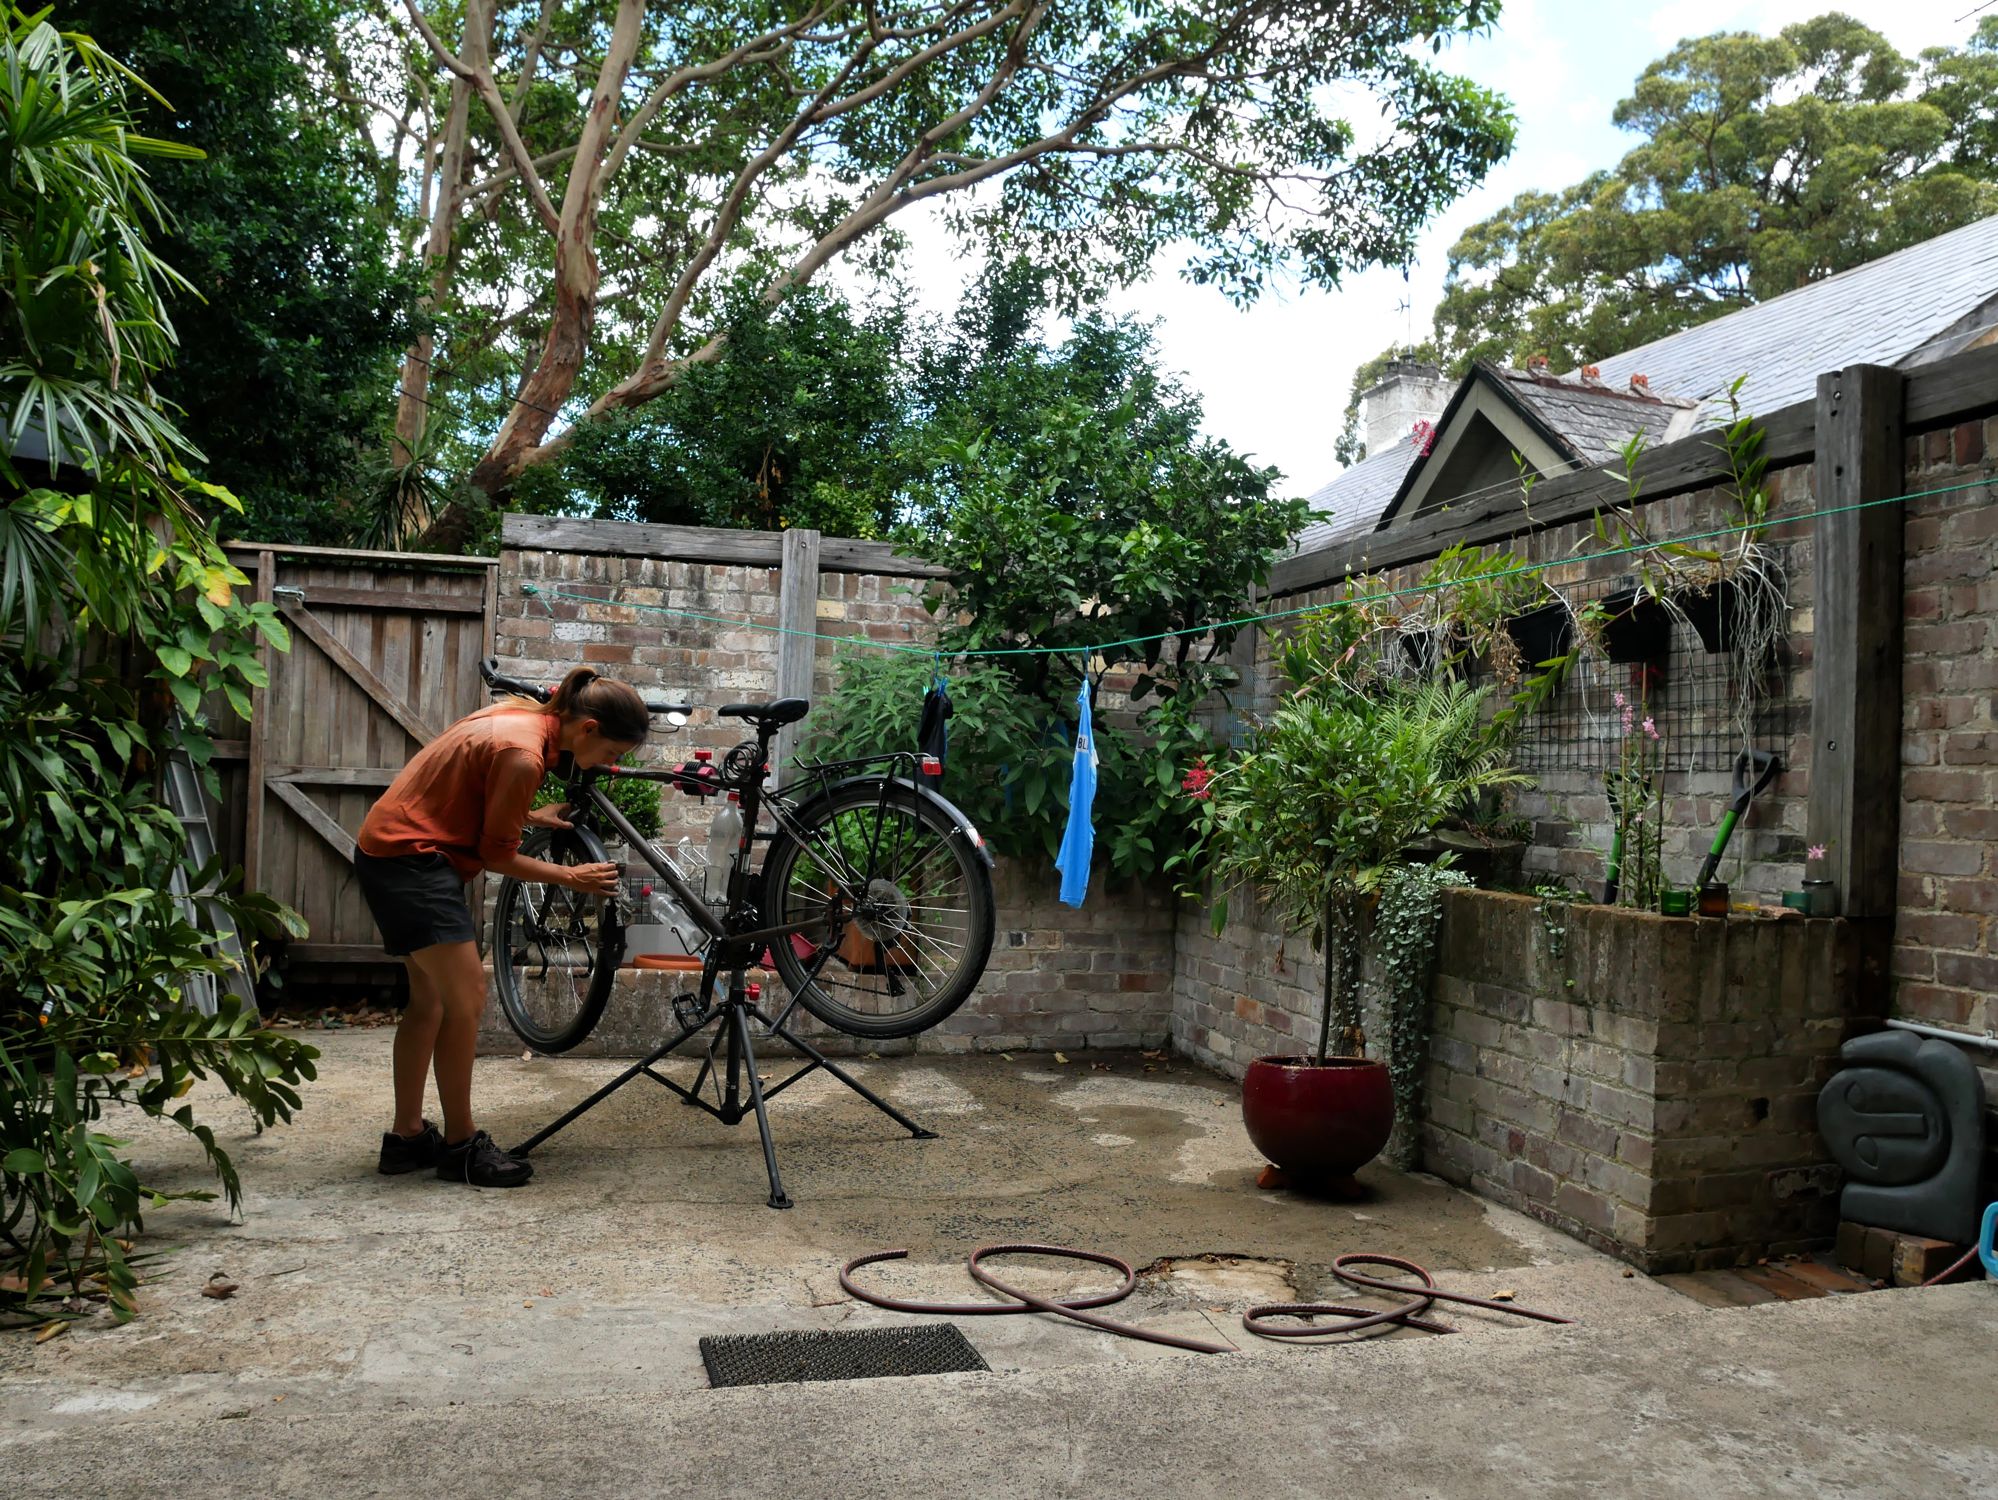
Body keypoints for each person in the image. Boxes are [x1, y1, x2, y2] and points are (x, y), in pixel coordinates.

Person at [353, 666, 647, 1187]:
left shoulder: (520, 716)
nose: (607, 765)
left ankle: (406, 1138)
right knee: (466, 999)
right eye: (610, 753)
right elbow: (496, 856)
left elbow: (462, 796)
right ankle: (461, 1147)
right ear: (588, 728)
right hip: (412, 862)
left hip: (393, 851)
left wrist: (528, 816)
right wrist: (573, 876)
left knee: (431, 1002)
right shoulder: (524, 754)